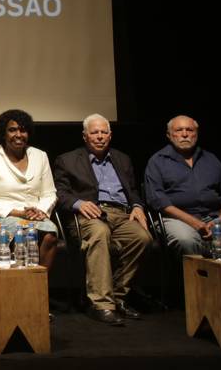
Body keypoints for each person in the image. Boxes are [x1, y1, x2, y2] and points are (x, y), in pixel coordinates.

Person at [53, 114, 152, 326]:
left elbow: (133, 190)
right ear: (85, 136)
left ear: (110, 135)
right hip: (89, 214)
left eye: (103, 132)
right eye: (94, 132)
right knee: (100, 233)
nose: (99, 137)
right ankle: (102, 304)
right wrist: (79, 203)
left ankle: (118, 296)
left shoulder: (122, 159)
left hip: (122, 212)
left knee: (142, 238)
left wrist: (137, 206)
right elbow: (60, 193)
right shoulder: (67, 159)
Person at [144, 115, 221, 256]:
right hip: (178, 220)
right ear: (169, 135)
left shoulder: (210, 159)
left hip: (215, 217)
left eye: (189, 130)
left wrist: (220, 221)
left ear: (196, 133)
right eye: (179, 130)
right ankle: (198, 277)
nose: (184, 134)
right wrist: (195, 223)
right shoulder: (157, 161)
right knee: (186, 239)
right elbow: (158, 201)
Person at [0, 109, 59, 272]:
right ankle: (17, 288)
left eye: (23, 130)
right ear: (3, 133)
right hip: (2, 217)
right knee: (26, 233)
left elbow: (49, 193)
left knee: (50, 234)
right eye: (12, 130)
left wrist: (40, 211)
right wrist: (19, 213)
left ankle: (38, 287)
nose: (18, 134)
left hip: (36, 216)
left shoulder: (40, 156)